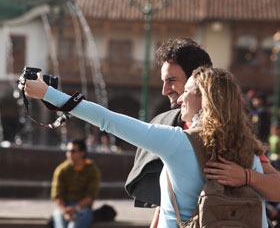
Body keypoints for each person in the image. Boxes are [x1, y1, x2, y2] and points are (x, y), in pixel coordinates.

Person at [19, 66, 268, 227]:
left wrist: (48, 94)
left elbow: (108, 120)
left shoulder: (178, 141)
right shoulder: (246, 147)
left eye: (188, 91)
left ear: (206, 98)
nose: (180, 97)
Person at [125, 37, 213, 210]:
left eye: (171, 81)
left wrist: (247, 177)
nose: (164, 90)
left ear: (196, 79)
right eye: (164, 81)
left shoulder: (233, 126)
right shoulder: (167, 123)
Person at [51, 139, 100, 228]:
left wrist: (75, 209)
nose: (69, 154)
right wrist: (65, 211)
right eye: (68, 151)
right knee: (60, 223)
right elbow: (56, 195)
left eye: (73, 151)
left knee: (74, 226)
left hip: (83, 208)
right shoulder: (61, 169)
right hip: (64, 207)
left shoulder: (92, 170)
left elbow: (90, 196)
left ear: (82, 153)